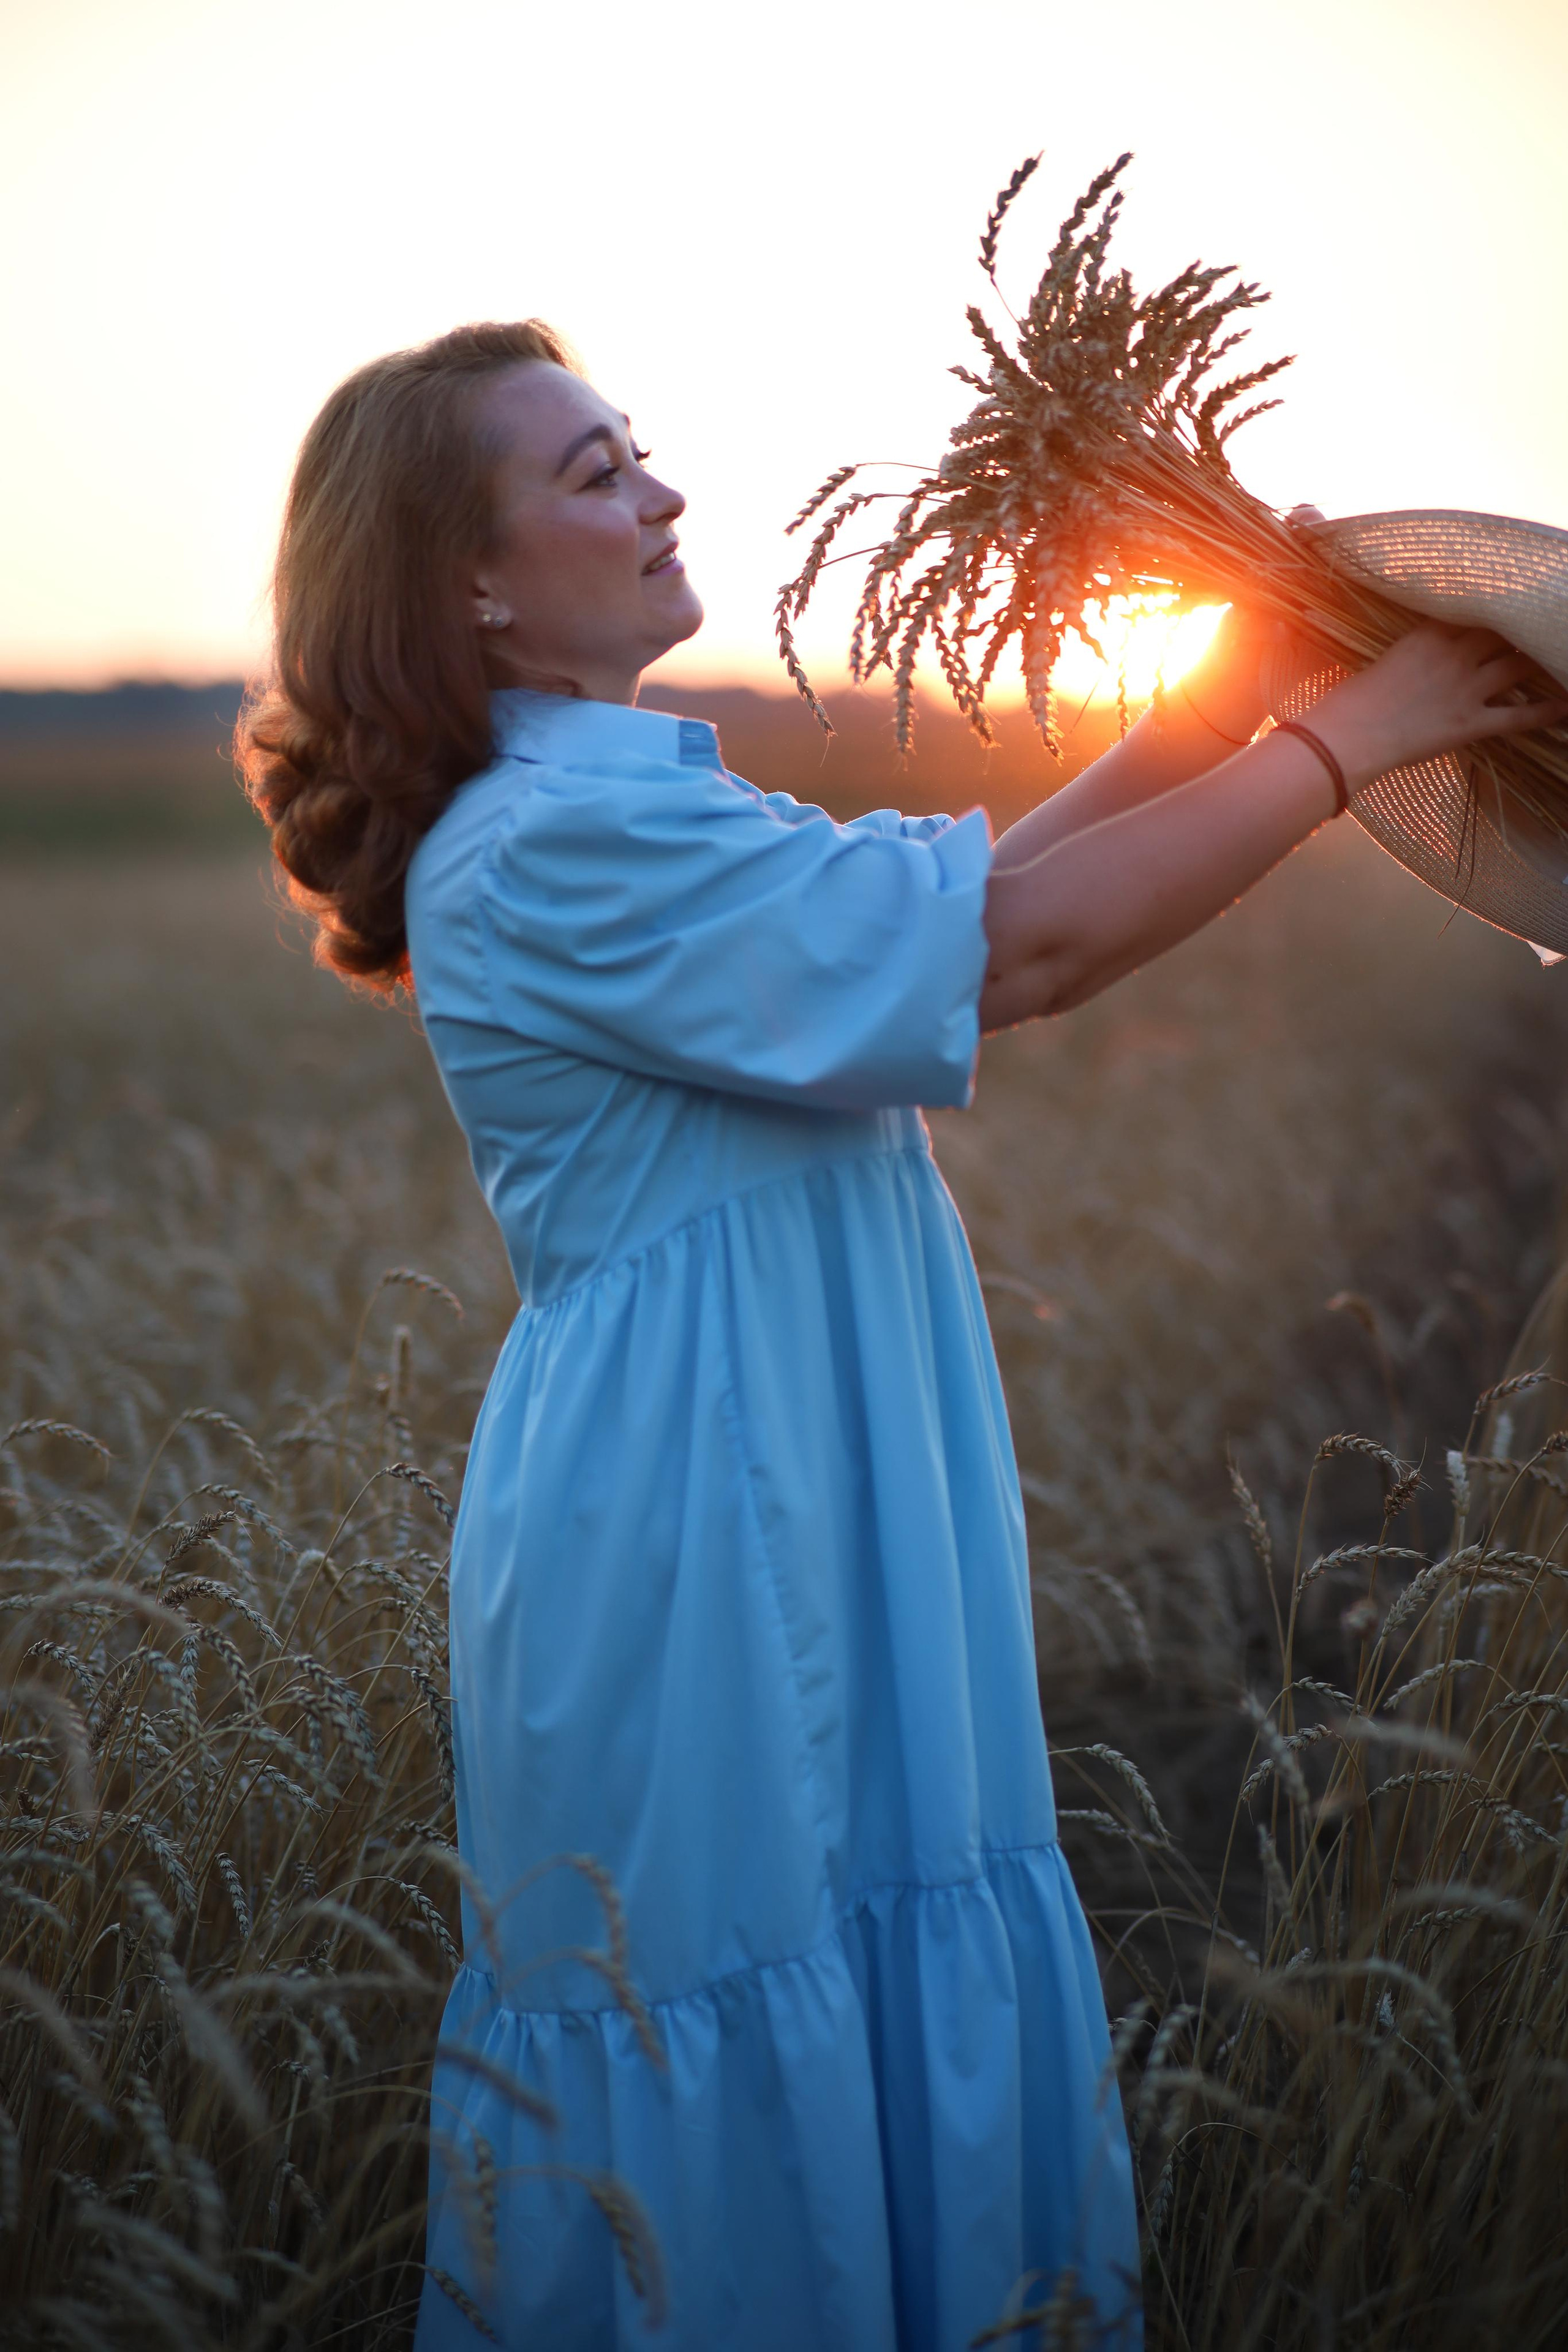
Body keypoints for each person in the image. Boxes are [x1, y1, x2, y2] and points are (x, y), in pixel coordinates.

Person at [238, 320, 1566, 2352]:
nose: (661, 493)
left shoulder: (622, 805)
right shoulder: (560, 837)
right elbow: (1019, 955)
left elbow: (968, 892)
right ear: (463, 583)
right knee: (749, 1990)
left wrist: (1223, 702)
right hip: (707, 1506)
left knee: (855, 1951)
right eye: (594, 472)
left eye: (638, 452)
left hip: (777, 1456)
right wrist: (1345, 746)